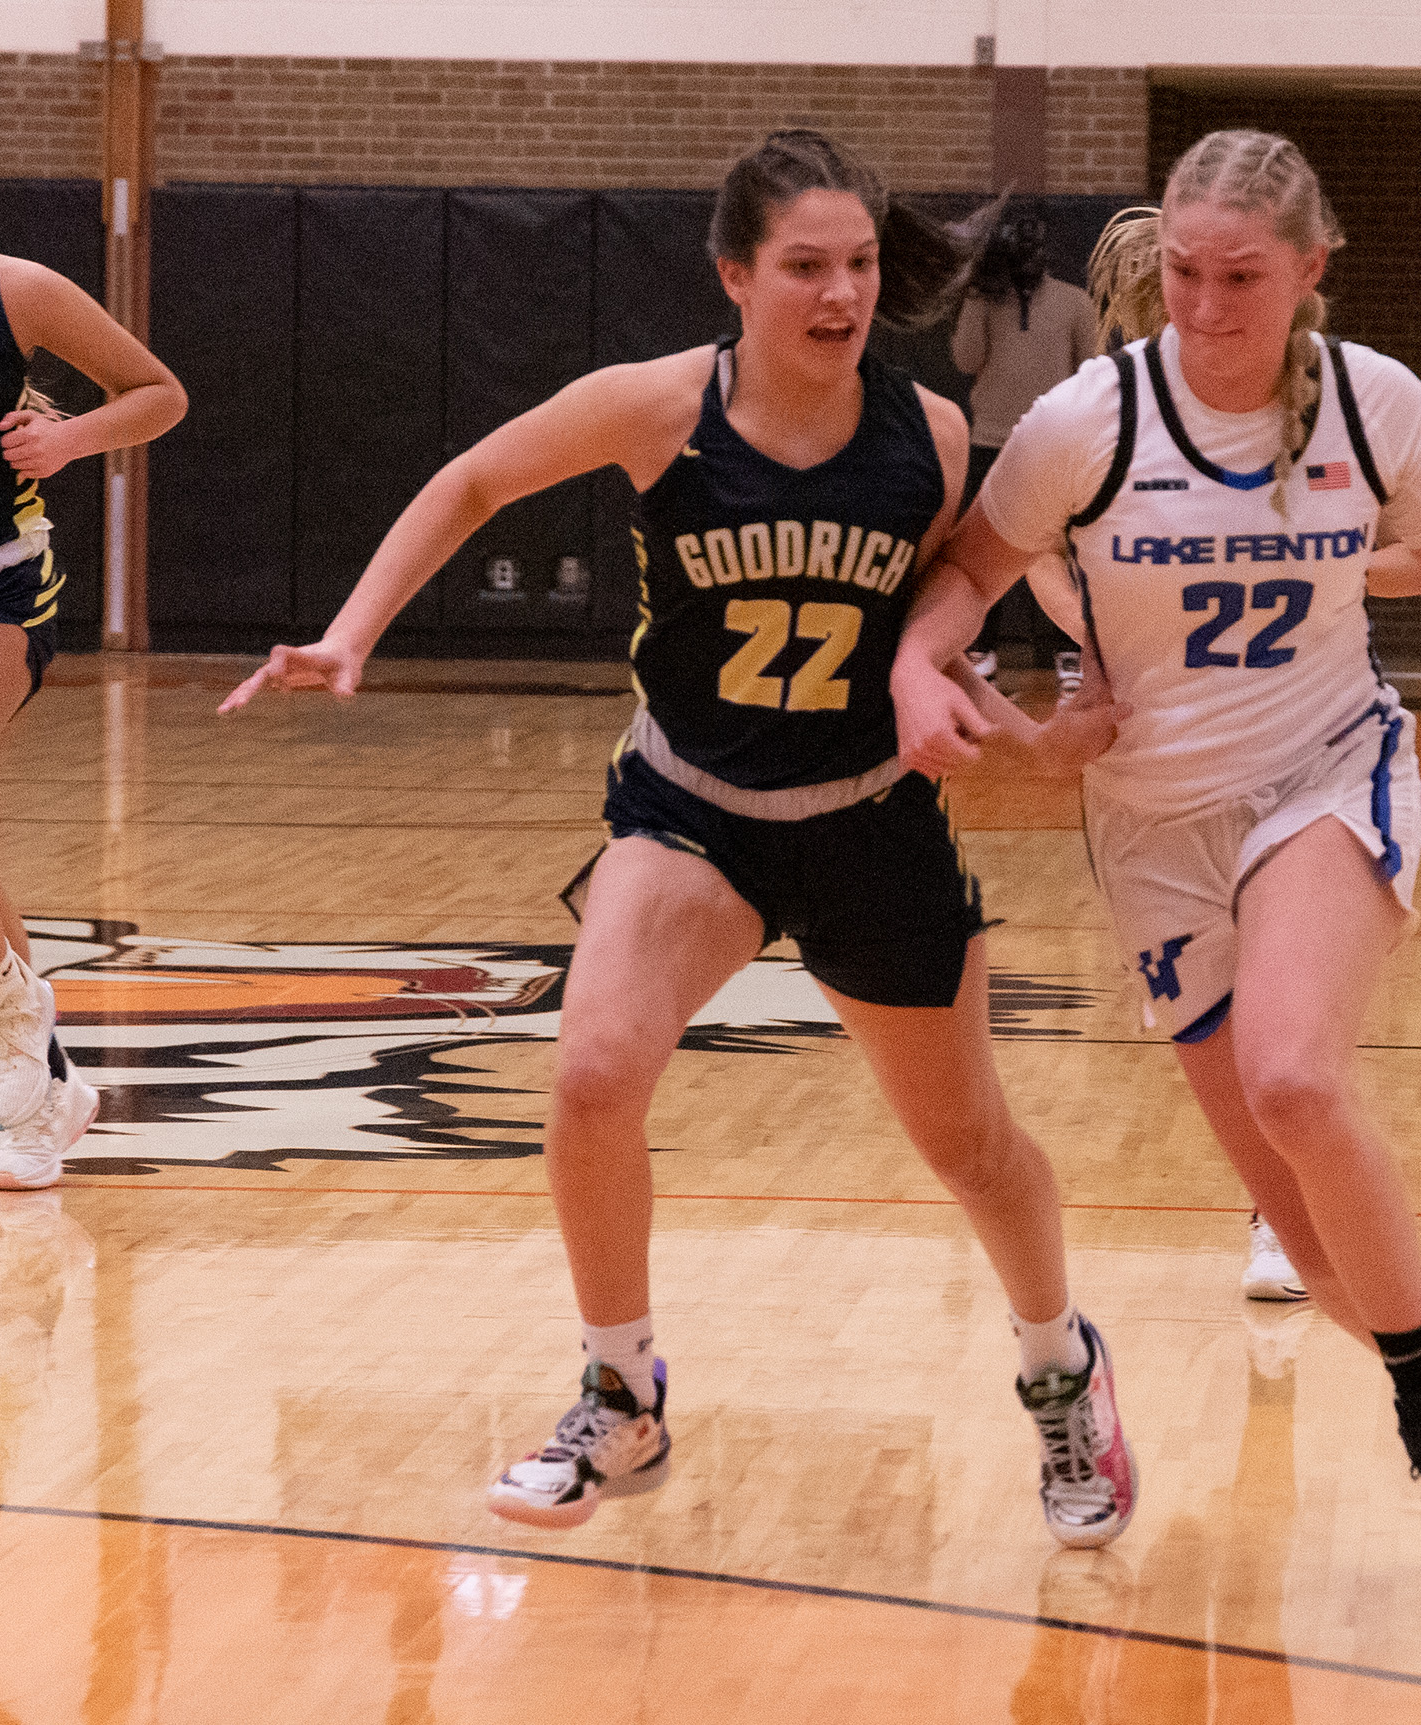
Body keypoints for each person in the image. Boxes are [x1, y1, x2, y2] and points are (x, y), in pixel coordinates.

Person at [219, 130, 1137, 1545]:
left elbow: (969, 578)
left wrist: (1072, 691)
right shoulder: (656, 408)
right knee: (592, 1074)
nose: (840, 294)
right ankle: (621, 1388)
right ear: (736, 275)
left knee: (969, 1144)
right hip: (692, 807)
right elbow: (471, 480)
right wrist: (351, 633)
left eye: (860, 265)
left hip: (866, 815)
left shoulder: (929, 435)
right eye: (805, 267)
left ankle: (1059, 1365)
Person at [893, 130, 1421, 1579]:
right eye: (1183, 272)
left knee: (1297, 1077)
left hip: (1326, 777)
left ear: (1311, 271)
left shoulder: (1379, 406)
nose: (1207, 305)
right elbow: (955, 588)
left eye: (1242, 277)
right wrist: (933, 675)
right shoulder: (1087, 425)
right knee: (1319, 1243)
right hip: (1156, 833)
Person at [0, 100, 186, 1190]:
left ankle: (4, 1011)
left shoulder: (11, 291)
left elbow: (160, 393)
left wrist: (70, 437)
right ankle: (53, 1089)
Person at [949, 202, 1094, 685]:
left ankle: (1068, 649)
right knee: (982, 550)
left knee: (1059, 551)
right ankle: (980, 647)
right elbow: (966, 359)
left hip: (1055, 444)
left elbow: (1092, 370)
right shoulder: (986, 301)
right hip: (991, 439)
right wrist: (976, 297)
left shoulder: (1075, 302)